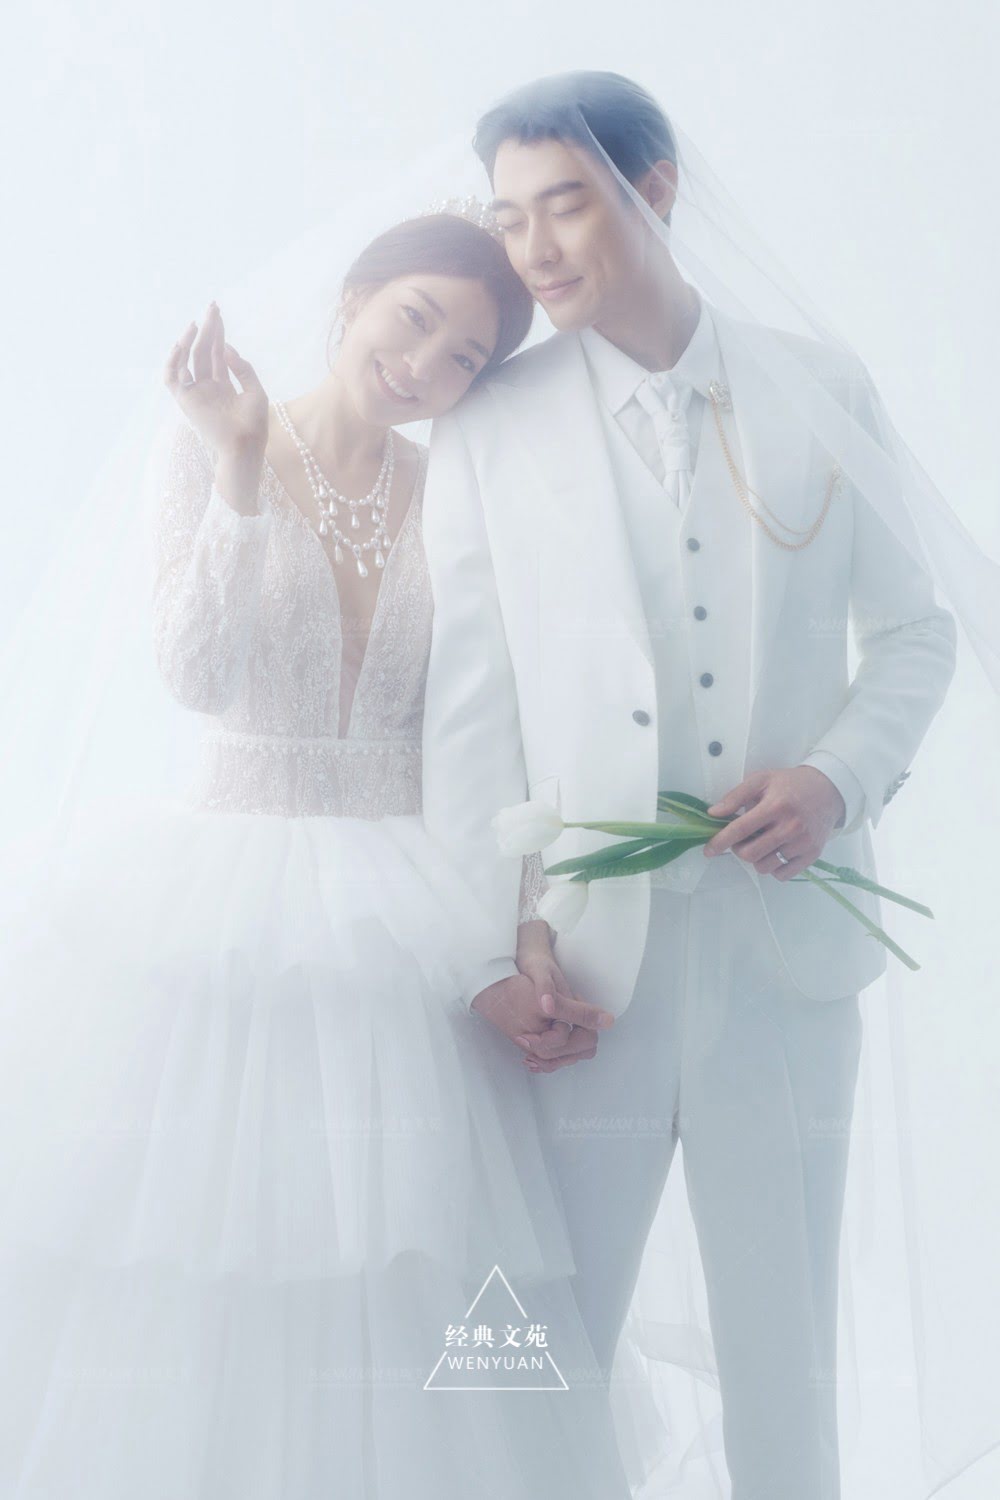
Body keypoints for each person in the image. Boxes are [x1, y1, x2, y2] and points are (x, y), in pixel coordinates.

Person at [0, 210, 634, 1499]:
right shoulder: (208, 447)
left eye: (463, 358)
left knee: (409, 1252)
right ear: (353, 300)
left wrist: (523, 919)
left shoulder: (453, 493)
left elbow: (489, 731)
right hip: (223, 905)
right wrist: (237, 464)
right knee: (206, 1245)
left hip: (407, 907)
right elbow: (194, 675)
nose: (423, 366)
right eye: (414, 320)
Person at [419, 73, 968, 1499]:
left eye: (564, 205)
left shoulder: (820, 382)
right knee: (531, 1345)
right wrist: (490, 947)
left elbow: (916, 631)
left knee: (787, 1357)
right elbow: (468, 718)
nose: (534, 250)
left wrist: (837, 779)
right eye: (509, 219)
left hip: (786, 966)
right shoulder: (487, 426)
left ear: (653, 190)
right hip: (579, 982)